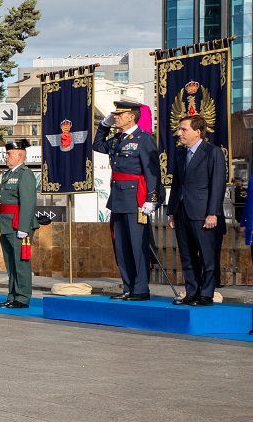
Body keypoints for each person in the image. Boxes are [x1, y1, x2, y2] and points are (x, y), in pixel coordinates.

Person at [93, 99, 160, 301]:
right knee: (121, 244)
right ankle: (128, 286)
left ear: (132, 117)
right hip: (118, 197)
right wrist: (103, 126)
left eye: (119, 115)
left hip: (136, 198)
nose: (116, 117)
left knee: (137, 245)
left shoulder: (144, 138)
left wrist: (152, 198)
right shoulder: (116, 139)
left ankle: (141, 288)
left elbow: (152, 171)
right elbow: (97, 145)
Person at [166, 115, 226, 306]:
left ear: (197, 132)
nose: (179, 133)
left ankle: (206, 295)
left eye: (183, 129)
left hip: (203, 213)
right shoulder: (181, 154)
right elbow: (177, 184)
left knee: (207, 256)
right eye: (179, 129)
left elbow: (217, 185)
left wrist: (212, 213)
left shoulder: (212, 152)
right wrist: (171, 211)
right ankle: (192, 292)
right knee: (187, 255)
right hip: (182, 211)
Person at [0, 139, 38, 308]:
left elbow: (28, 202)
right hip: (7, 224)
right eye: (6, 153)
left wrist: (23, 227)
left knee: (21, 263)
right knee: (11, 262)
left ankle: (22, 297)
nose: (6, 157)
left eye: (9, 154)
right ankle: (12, 294)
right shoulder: (8, 174)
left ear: (20, 155)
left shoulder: (25, 174)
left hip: (18, 224)